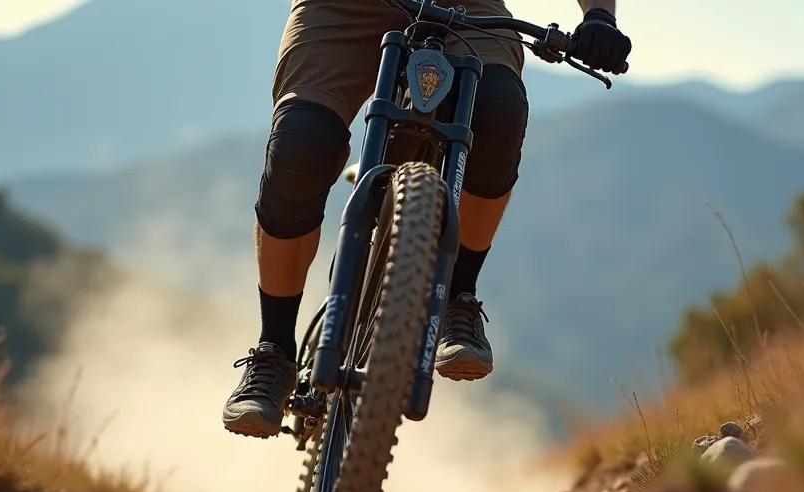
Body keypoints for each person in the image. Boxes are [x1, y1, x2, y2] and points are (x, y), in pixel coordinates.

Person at [223, 0, 633, 437]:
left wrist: (599, 18)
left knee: (498, 112)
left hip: (468, 7)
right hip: (341, 8)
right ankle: (275, 350)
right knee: (299, 147)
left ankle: (458, 298)